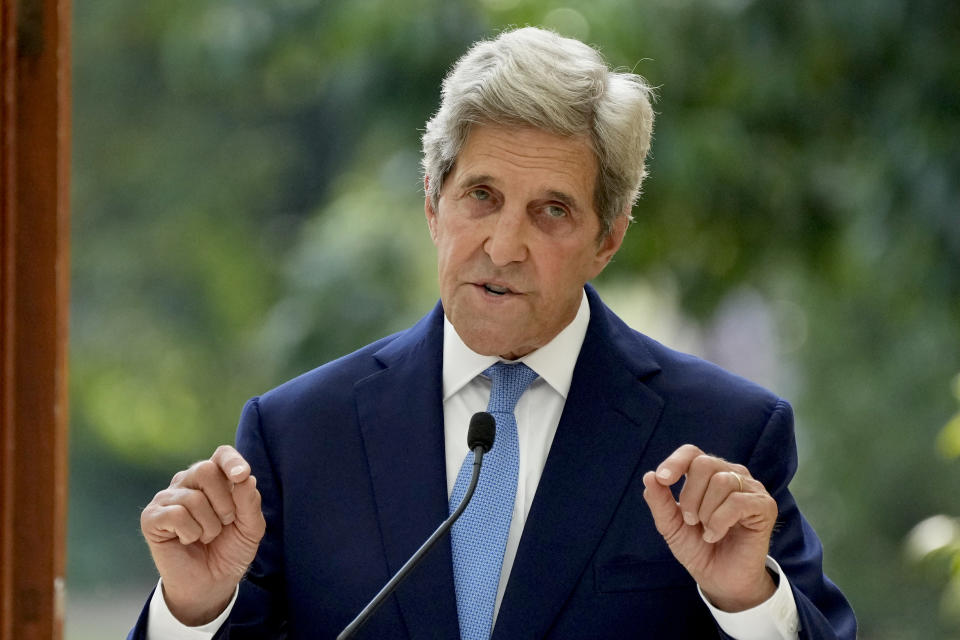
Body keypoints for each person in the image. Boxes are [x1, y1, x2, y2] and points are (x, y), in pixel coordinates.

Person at [129, 27, 856, 639]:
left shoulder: (725, 431)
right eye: (481, 196)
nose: (504, 246)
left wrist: (748, 604)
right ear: (433, 207)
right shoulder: (297, 436)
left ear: (607, 240)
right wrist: (193, 612)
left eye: (551, 212)